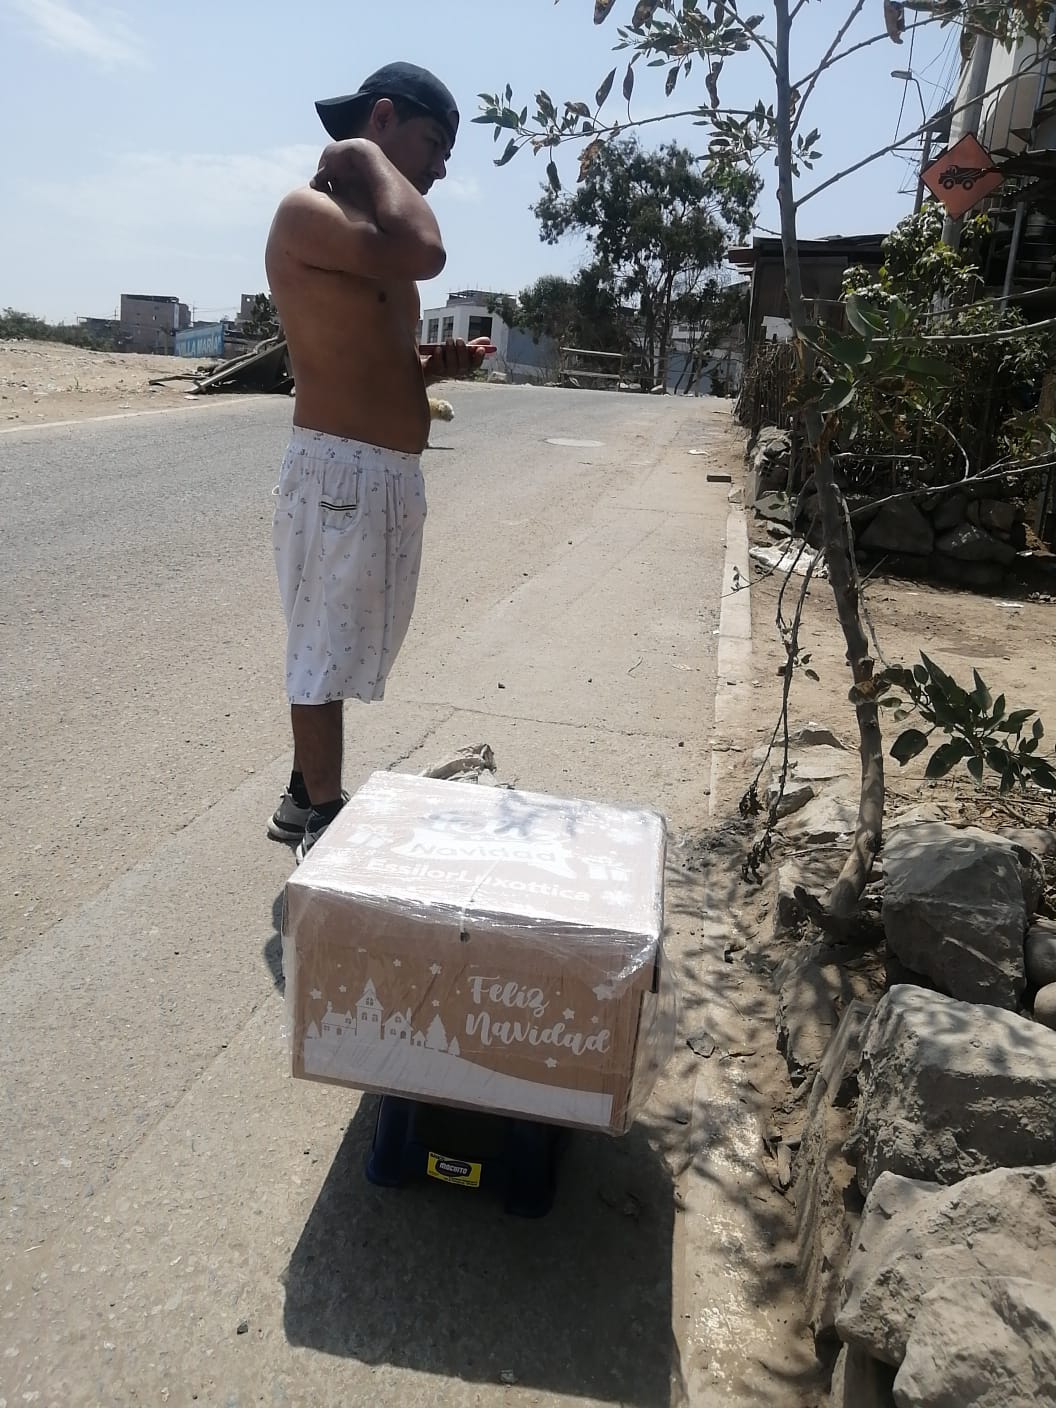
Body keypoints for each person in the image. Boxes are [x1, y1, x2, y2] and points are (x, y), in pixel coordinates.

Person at [264, 63, 491, 860]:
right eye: (435, 145)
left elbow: (372, 361)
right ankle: (324, 823)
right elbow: (427, 248)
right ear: (384, 118)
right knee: (322, 653)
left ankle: (303, 792)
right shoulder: (309, 215)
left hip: (379, 474)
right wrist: (361, 154)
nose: (441, 169)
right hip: (341, 473)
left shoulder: (373, 245)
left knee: (345, 644)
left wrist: (433, 367)